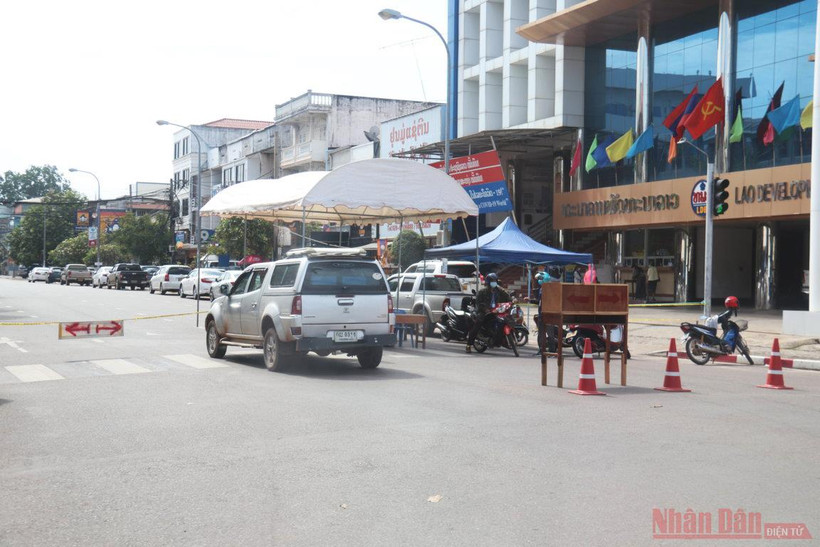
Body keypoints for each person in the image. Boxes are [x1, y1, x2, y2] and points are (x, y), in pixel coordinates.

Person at [466, 272, 511, 353]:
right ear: (488, 282)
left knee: (504, 321)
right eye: (492, 281)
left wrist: (513, 300)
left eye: (495, 281)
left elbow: (507, 296)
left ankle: (502, 341)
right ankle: (469, 344)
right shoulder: (482, 292)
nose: (494, 283)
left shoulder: (499, 290)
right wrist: (485, 309)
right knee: (477, 325)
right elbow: (479, 303)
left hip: (496, 311)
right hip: (484, 312)